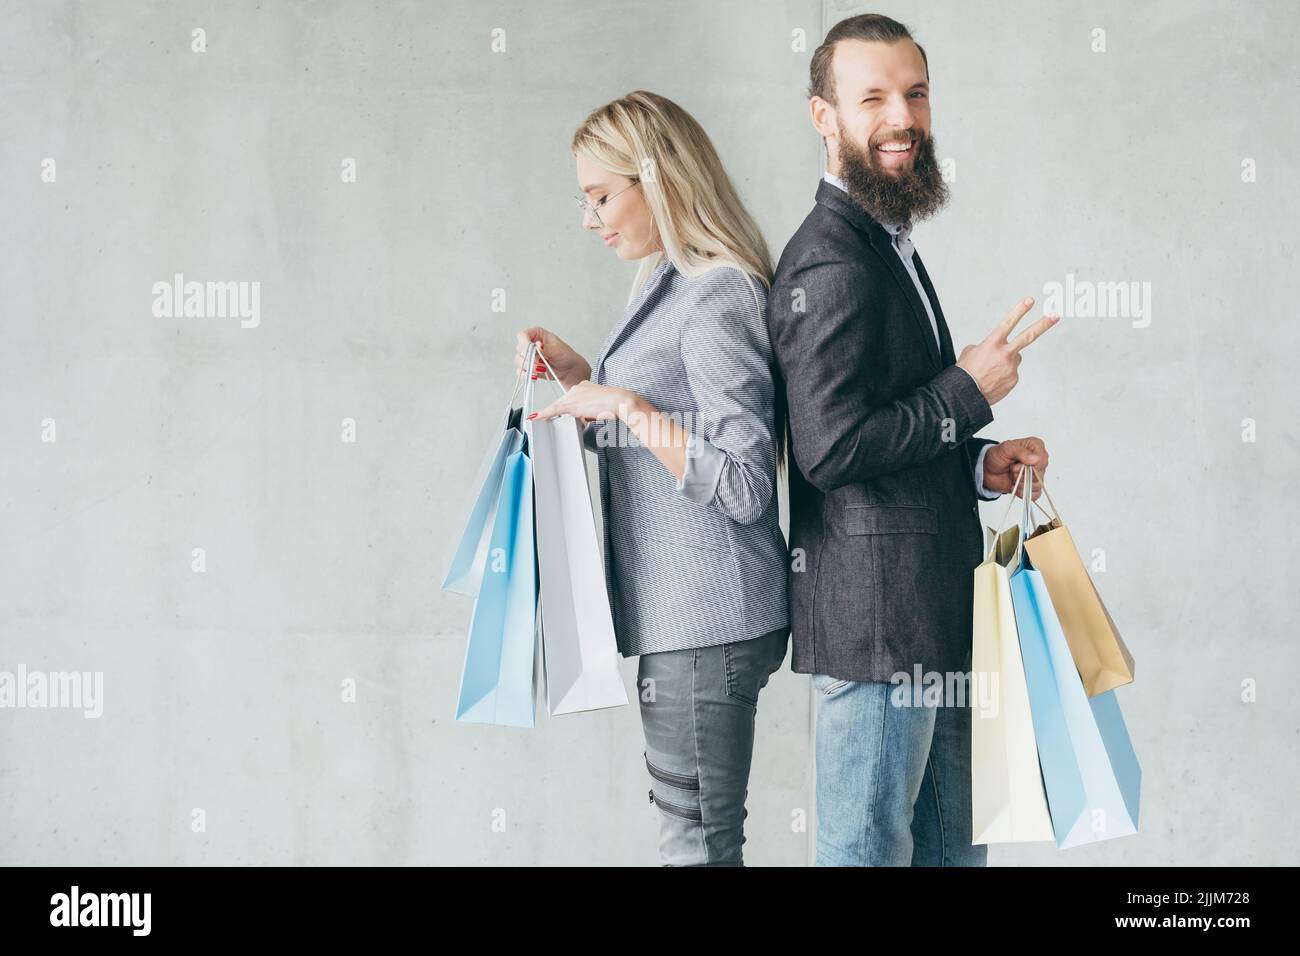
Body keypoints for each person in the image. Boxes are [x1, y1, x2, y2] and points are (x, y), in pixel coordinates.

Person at [768, 14, 1057, 866]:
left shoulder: (885, 240)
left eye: (916, 93)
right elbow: (830, 449)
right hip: (878, 629)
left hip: (929, 616)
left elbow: (883, 423)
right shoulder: (830, 261)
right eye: (873, 98)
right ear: (824, 116)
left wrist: (977, 463)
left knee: (951, 853)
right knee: (864, 851)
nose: (903, 117)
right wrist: (968, 391)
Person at [518, 91, 788, 866]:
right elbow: (672, 439)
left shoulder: (718, 292)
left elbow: (743, 484)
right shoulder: (670, 282)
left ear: (657, 178)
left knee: (697, 847)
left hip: (708, 622)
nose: (590, 219)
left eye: (602, 196)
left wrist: (628, 405)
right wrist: (586, 378)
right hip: (689, 619)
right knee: (696, 842)